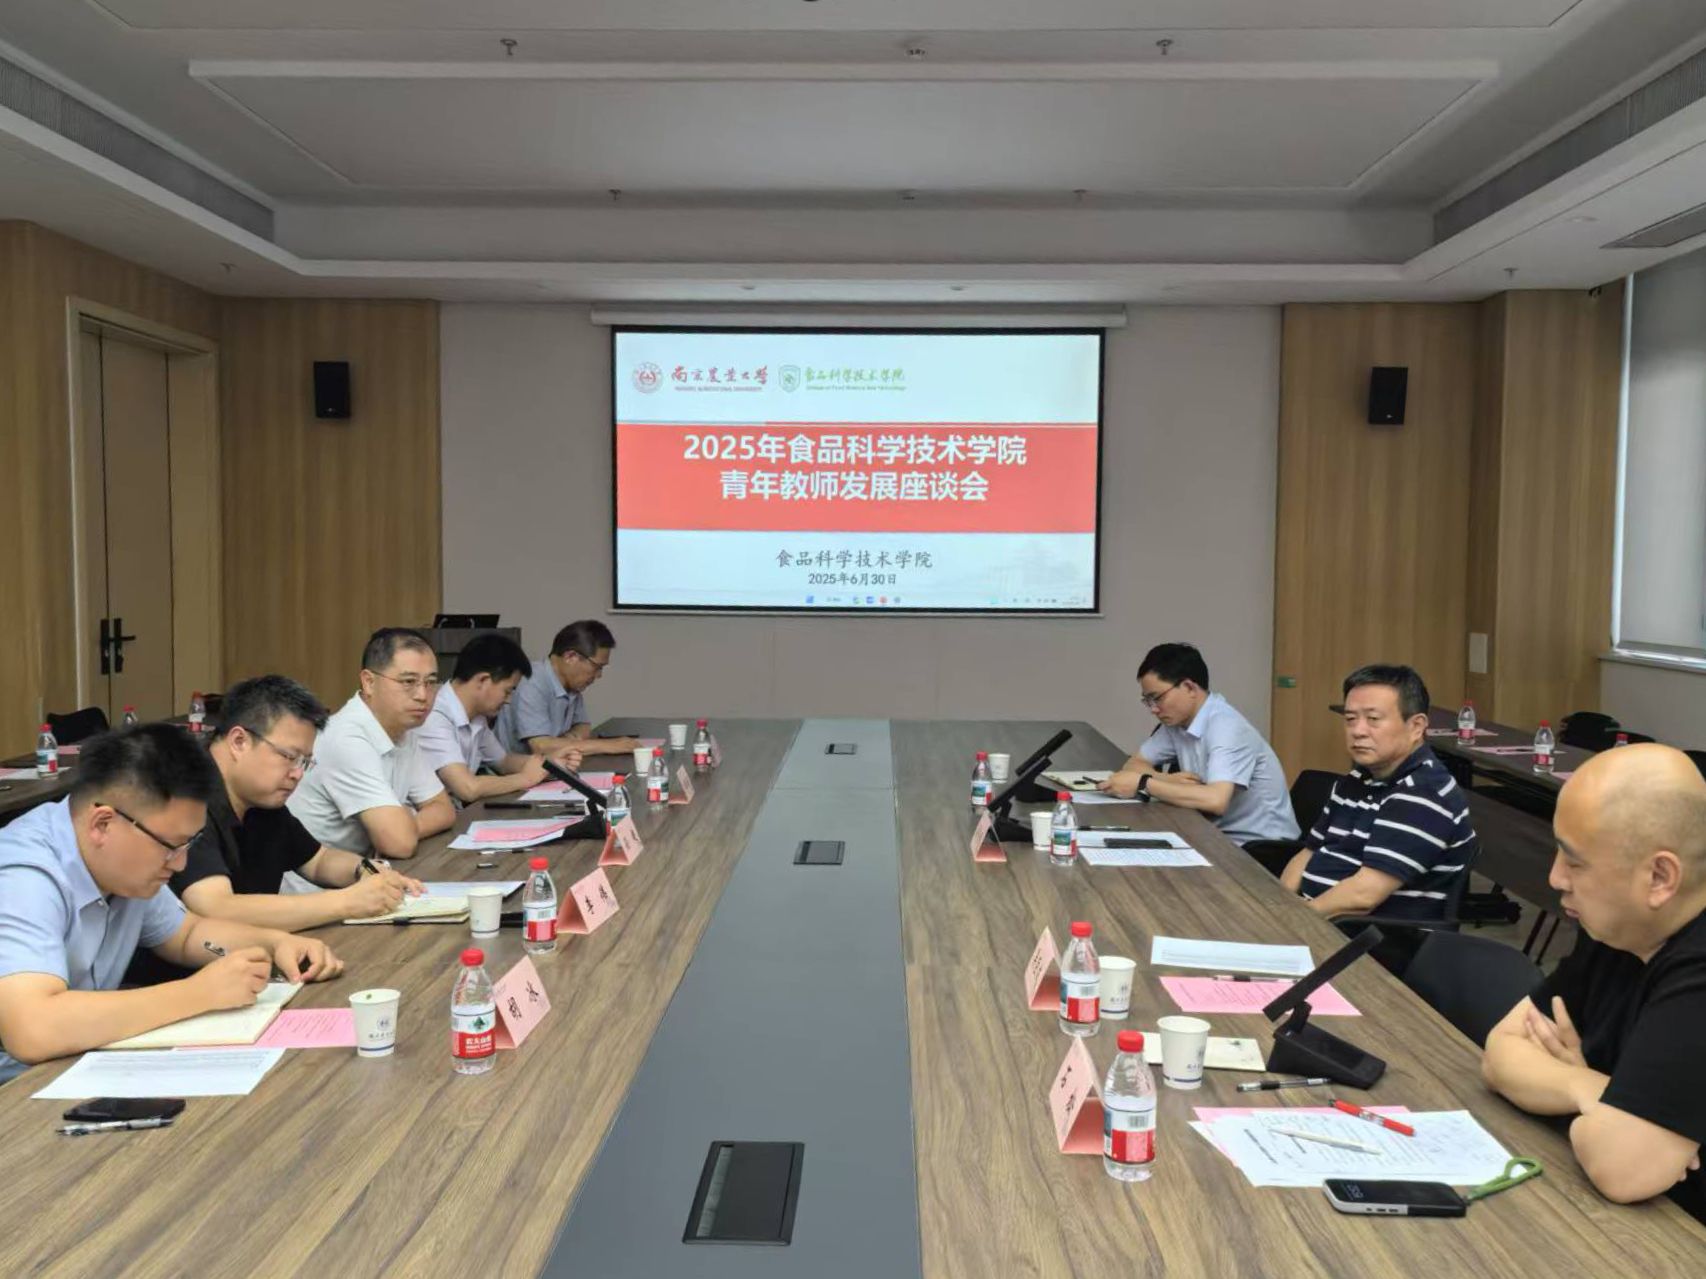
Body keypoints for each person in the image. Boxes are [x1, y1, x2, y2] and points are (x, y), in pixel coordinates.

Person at [0, 724, 343, 1084]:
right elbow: (33, 1028)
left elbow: (186, 934)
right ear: (102, 824)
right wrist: (199, 993)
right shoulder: (24, 876)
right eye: (171, 847)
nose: (180, 864)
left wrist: (275, 943)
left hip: (77, 1062)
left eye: (188, 845)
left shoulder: (123, 865)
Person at [1482, 744, 1706, 1221]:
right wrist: (1590, 1087)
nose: (1555, 877)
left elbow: (1623, 1168)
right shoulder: (1619, 929)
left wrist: (1570, 1094)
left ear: (1659, 877)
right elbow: (1500, 1050)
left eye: (1575, 862)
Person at [171, 675, 423, 930]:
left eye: (304, 761)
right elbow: (217, 908)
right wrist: (347, 902)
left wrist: (365, 871)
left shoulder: (260, 799)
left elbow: (318, 861)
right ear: (239, 742)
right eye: (289, 757)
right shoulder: (185, 793)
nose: (298, 773)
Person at [1279, 664, 1477, 921]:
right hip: (1317, 917)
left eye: (1373, 719)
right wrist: (1278, 908)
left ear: (1416, 726)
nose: (1358, 731)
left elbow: (1363, 897)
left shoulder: (1423, 794)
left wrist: (1293, 921)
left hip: (1367, 935)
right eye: (1350, 719)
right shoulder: (1358, 778)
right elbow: (1308, 853)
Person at [1100, 643, 1298, 846]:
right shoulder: (1178, 722)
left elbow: (1216, 800)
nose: (1153, 709)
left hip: (1259, 847)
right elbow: (1134, 764)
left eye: (1157, 698)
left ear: (1189, 687)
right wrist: (1166, 779)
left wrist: (1144, 784)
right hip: (1212, 833)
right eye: (1147, 701)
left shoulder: (1226, 728)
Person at [287, 627, 455, 858]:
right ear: (369, 682)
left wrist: (404, 827)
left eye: (430, 682)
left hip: (366, 870)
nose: (423, 695)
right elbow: (398, 844)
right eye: (408, 681)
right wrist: (398, 830)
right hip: (320, 877)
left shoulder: (403, 730)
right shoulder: (346, 739)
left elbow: (443, 809)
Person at [417, 632, 582, 804]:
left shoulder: (476, 716)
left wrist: (550, 763)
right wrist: (525, 779)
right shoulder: (434, 717)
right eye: (507, 690)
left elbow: (503, 761)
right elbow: (467, 788)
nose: (508, 700)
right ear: (483, 680)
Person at [494, 620, 640, 758]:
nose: (599, 675)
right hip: (515, 772)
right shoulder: (531, 681)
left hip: (552, 766)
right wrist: (608, 746)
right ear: (570, 657)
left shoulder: (571, 685)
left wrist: (563, 742)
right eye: (597, 667)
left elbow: (583, 726)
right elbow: (541, 746)